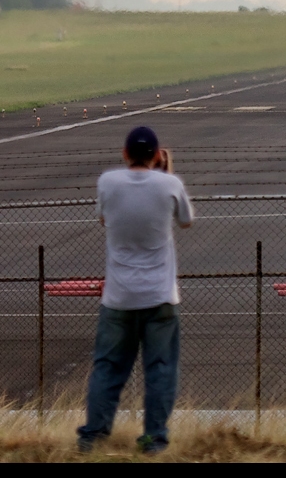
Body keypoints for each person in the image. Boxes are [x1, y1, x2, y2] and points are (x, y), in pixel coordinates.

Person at [77, 126, 193, 455]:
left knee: (108, 369)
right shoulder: (170, 183)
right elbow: (185, 220)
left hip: (118, 296)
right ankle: (154, 439)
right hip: (160, 295)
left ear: (125, 153)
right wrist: (165, 175)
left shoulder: (108, 182)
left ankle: (93, 437)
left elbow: (103, 218)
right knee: (160, 370)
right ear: (157, 154)